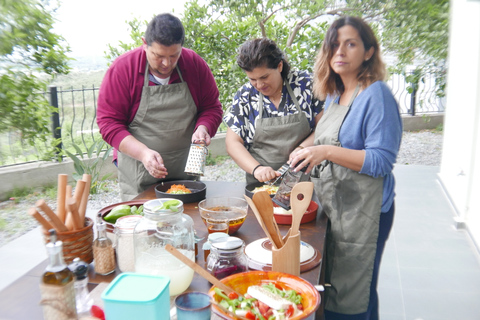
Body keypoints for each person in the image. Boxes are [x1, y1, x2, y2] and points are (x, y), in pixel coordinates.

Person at [289, 16, 402, 319]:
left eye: (350, 44)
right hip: (338, 204)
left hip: (367, 211)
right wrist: (305, 147)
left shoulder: (375, 95)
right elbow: (325, 133)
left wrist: (325, 151)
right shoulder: (335, 92)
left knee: (355, 290)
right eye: (334, 45)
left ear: (368, 52)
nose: (340, 51)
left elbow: (381, 161)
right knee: (351, 287)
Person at [97, 13, 223, 201]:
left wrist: (204, 127)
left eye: (174, 56)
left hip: (186, 171)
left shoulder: (194, 65)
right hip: (140, 170)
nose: (166, 63)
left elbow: (211, 107)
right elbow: (109, 124)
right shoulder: (123, 69)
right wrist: (143, 153)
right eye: (158, 56)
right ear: (144, 43)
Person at [223, 38, 323, 184]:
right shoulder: (245, 96)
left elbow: (324, 127)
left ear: (280, 66)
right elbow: (232, 143)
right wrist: (257, 169)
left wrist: (303, 148)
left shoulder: (305, 84)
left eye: (264, 77)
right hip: (262, 186)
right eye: (252, 79)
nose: (259, 84)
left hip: (306, 181)